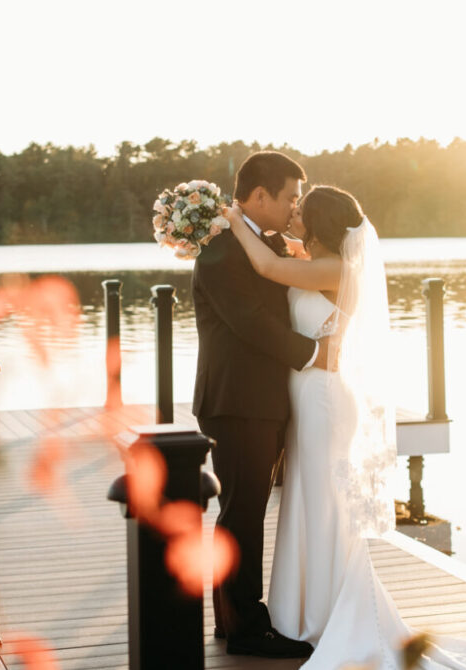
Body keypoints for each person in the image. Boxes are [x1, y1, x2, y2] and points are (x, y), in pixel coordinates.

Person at [224, 186, 466, 669]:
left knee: (325, 503)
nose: (294, 213)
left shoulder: (335, 270)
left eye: (301, 210)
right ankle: (301, 616)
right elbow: (280, 259)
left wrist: (230, 218)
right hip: (309, 401)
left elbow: (268, 268)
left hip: (327, 403)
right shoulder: (315, 261)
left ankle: (327, 614)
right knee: (308, 501)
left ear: (320, 224)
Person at [191, 151, 330, 659]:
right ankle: (247, 627)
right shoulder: (221, 251)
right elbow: (250, 322)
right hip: (238, 401)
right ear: (258, 197)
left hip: (260, 400)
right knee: (243, 512)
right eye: (290, 196)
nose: (295, 205)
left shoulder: (261, 244)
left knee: (242, 511)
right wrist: (316, 353)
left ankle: (232, 619)